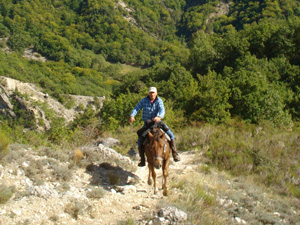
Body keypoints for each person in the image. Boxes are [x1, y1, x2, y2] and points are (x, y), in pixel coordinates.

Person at [129, 87, 181, 167]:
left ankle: (175, 154)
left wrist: (159, 116)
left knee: (171, 135)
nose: (152, 94)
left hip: (157, 122)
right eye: (150, 93)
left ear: (156, 93)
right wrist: (132, 115)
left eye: (153, 93)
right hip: (147, 124)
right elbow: (137, 108)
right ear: (148, 93)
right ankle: (142, 160)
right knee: (140, 139)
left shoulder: (159, 100)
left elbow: (162, 110)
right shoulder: (144, 100)